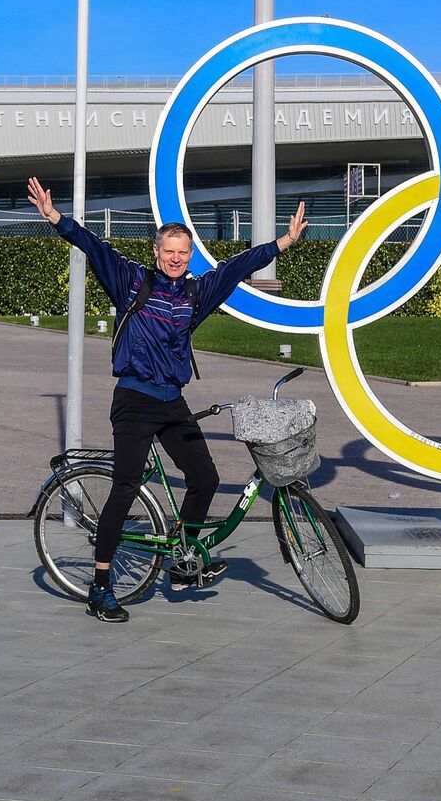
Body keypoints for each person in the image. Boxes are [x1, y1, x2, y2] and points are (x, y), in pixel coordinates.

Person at [25, 176, 305, 622]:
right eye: (168, 251)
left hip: (172, 401)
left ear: (189, 255)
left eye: (183, 252)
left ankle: (184, 557)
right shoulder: (131, 281)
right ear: (156, 253)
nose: (175, 259)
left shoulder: (195, 294)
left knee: (206, 478)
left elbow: (234, 267)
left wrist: (282, 243)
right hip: (134, 400)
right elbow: (93, 246)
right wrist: (56, 218)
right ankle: (100, 589)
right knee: (125, 487)